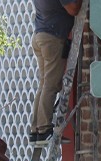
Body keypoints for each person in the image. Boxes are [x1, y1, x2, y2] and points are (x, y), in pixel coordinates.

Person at [30, 0, 82, 145]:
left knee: (44, 84)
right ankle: (44, 130)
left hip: (40, 34)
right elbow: (73, 9)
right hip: (52, 37)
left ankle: (36, 131)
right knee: (51, 85)